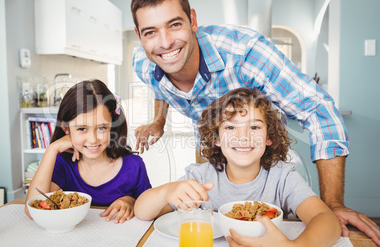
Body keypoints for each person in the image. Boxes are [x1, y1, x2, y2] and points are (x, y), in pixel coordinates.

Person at [130, 0, 380, 244]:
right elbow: (160, 86)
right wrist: (159, 121)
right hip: (214, 154)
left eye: (174, 24)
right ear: (140, 35)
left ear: (192, 20)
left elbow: (320, 111)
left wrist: (332, 204)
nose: (165, 42)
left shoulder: (246, 53)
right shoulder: (143, 64)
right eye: (151, 32)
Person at [134, 88, 342, 246]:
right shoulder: (199, 176)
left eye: (254, 127)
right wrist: (167, 191)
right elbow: (142, 211)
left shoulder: (282, 177)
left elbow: (327, 221)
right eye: (231, 127)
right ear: (216, 138)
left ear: (269, 136)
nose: (243, 137)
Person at [24, 79, 151, 224]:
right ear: (66, 129)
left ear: (113, 126)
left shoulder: (134, 166)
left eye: (102, 128)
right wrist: (52, 149)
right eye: (81, 129)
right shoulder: (63, 164)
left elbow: (150, 209)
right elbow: (32, 210)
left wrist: (132, 202)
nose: (92, 139)